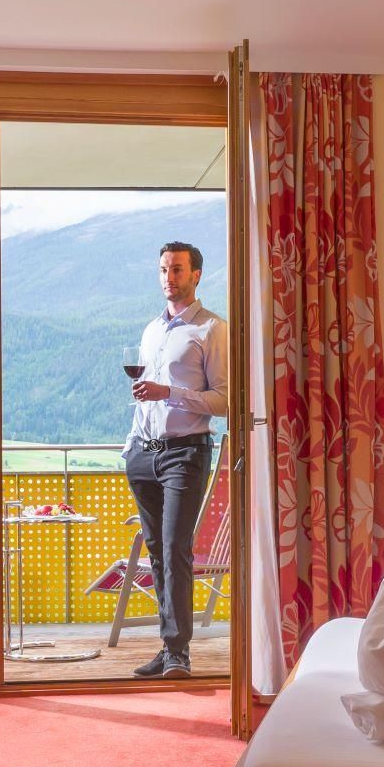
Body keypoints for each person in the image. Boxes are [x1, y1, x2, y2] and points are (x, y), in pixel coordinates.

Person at [125, 240, 229, 680]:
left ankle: (178, 653)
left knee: (175, 549)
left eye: (178, 269)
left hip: (185, 453)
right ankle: (168, 647)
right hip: (143, 454)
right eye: (164, 270)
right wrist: (130, 446)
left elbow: (224, 401)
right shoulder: (152, 330)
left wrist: (170, 393)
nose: (169, 277)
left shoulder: (212, 329)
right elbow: (144, 397)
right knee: (157, 553)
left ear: (196, 275)